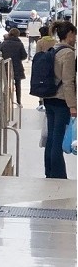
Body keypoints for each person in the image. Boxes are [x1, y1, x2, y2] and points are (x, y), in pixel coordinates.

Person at [43, 20, 76, 179]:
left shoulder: (53, 49)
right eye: (74, 35)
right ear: (69, 35)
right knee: (58, 138)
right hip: (61, 99)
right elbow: (68, 81)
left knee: (51, 137)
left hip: (49, 97)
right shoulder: (68, 53)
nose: (75, 38)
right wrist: (73, 105)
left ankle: (49, 171)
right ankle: (58, 174)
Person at [0, 28, 28, 106]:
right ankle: (18, 101)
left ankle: (3, 100)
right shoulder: (19, 44)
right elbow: (24, 56)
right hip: (17, 66)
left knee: (4, 83)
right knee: (18, 84)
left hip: (5, 66)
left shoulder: (3, 43)